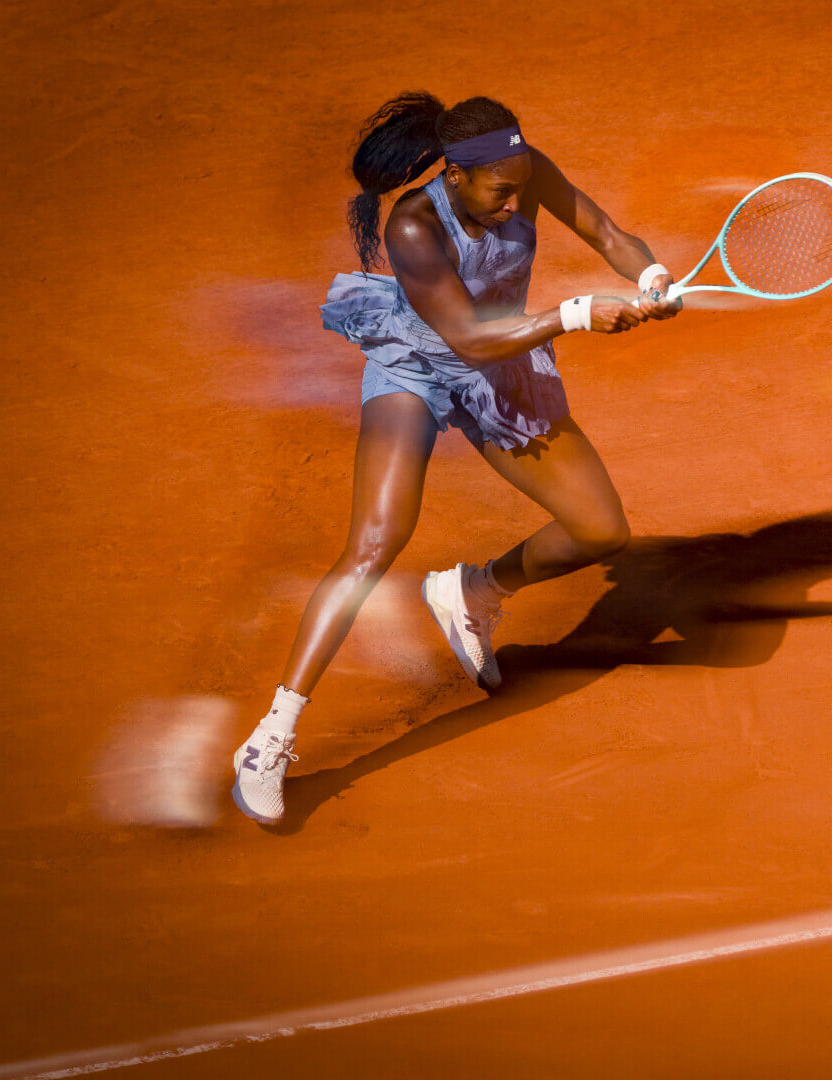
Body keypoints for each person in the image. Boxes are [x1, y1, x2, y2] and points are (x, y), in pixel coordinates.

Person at [232, 92, 680, 825]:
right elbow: (467, 338)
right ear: (455, 177)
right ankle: (270, 738)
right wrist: (575, 314)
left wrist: (652, 276)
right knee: (376, 543)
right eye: (499, 193)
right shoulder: (413, 224)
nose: (515, 205)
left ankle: (475, 591)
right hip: (419, 364)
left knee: (601, 531)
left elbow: (605, 231)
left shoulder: (520, 170)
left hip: (504, 365)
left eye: (519, 189)